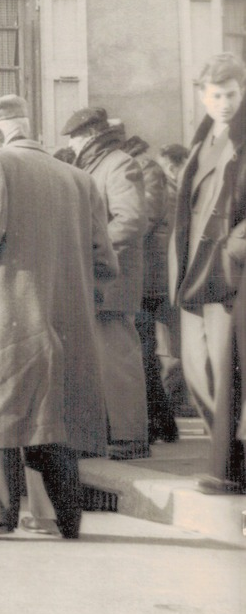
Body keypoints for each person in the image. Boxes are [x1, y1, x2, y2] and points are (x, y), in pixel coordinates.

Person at [0, 94, 117, 539]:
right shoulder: (79, 178)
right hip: (64, 317)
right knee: (50, 414)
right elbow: (105, 262)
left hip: (5, 310)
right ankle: (62, 517)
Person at [171, 52, 246, 495]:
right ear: (203, 96)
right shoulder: (203, 140)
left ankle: (231, 466)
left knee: (226, 370)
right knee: (197, 369)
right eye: (217, 95)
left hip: (227, 275)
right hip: (191, 272)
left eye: (233, 94)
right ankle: (229, 457)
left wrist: (235, 246)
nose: (225, 103)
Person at [60, 107, 150, 460]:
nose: (72, 144)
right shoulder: (96, 166)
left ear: (92, 136)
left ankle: (131, 436)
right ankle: (108, 435)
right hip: (97, 278)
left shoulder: (119, 164)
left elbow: (131, 220)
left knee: (118, 359)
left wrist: (90, 251)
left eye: (76, 137)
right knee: (99, 360)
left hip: (111, 279)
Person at [121, 135, 178, 444]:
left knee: (144, 350)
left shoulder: (148, 170)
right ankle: (162, 422)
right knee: (143, 350)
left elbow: (147, 217)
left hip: (149, 278)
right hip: (144, 275)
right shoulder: (142, 169)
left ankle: (160, 422)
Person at [155, 142, 190, 415]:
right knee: (171, 338)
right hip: (171, 274)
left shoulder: (172, 191)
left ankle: (176, 396)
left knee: (170, 339)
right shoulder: (171, 191)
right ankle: (176, 397)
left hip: (172, 273)